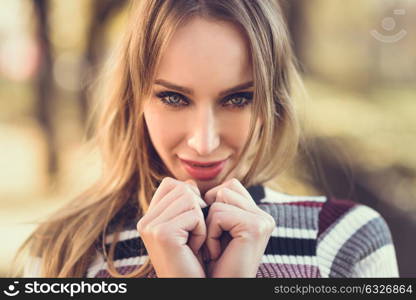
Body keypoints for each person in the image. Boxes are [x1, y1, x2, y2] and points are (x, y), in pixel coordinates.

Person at [14, 0, 399, 278]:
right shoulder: (64, 251)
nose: (203, 142)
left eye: (237, 98)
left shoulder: (347, 237)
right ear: (136, 98)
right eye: (174, 98)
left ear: (271, 101)